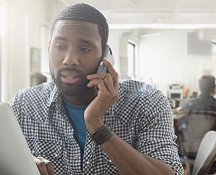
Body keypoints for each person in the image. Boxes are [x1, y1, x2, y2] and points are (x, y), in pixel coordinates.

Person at [10, 3, 183, 175]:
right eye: (60, 47)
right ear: (49, 49)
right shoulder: (23, 104)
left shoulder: (147, 102)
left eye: (84, 49)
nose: (69, 60)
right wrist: (23, 164)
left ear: (105, 57)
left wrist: (97, 125)